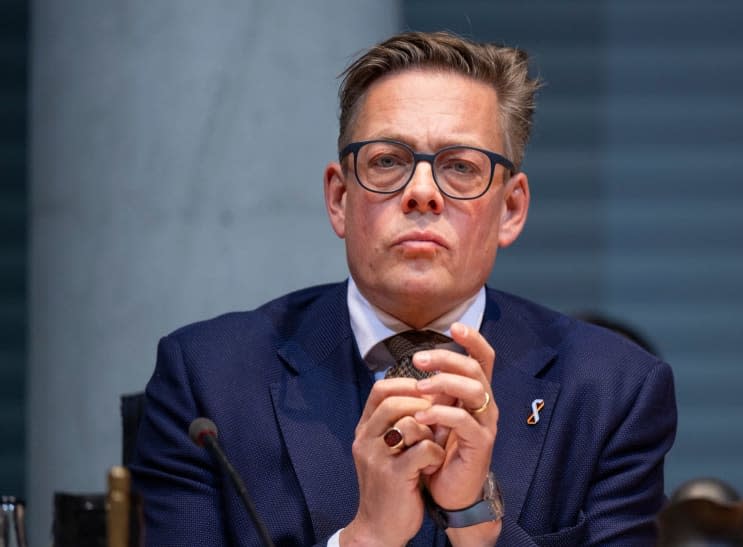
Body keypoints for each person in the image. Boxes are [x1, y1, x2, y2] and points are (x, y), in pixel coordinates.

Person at [131, 31, 677, 546]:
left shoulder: (611, 391)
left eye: (460, 166)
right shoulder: (209, 380)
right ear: (339, 199)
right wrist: (365, 538)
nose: (421, 193)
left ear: (511, 209)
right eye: (388, 161)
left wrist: (476, 523)